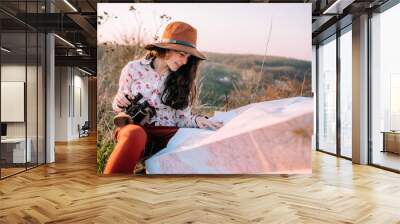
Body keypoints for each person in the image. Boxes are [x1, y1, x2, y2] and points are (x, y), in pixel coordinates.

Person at [103, 21, 223, 174]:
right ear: (166, 50)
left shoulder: (183, 78)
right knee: (134, 134)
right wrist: (119, 101)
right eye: (181, 54)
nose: (185, 62)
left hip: (167, 132)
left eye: (187, 57)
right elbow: (119, 102)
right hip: (136, 127)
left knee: (200, 140)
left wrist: (197, 120)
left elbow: (181, 119)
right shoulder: (133, 68)